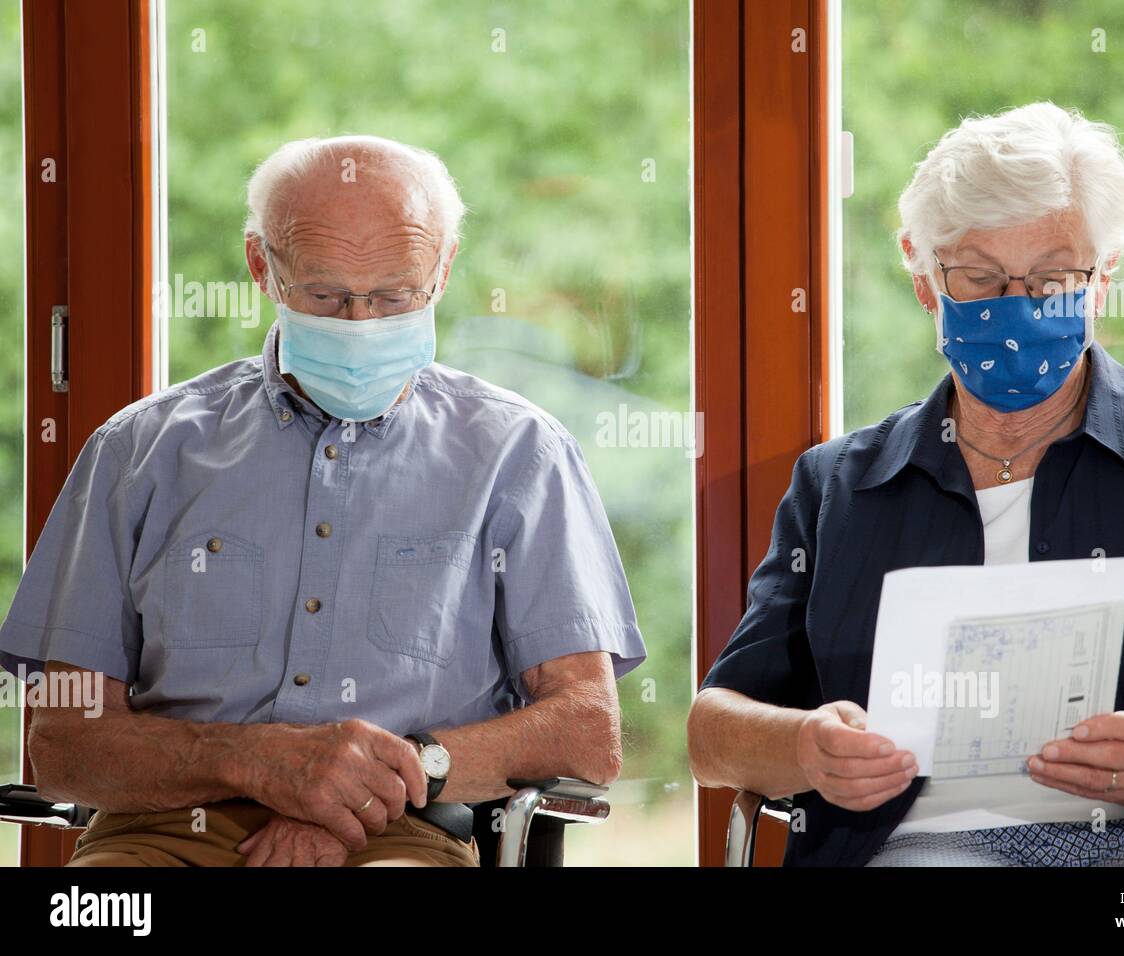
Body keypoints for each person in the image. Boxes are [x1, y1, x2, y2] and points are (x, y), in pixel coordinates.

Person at [0, 135, 645, 867]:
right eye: (328, 295)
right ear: (261, 267)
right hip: (161, 833)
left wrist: (375, 781)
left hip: (405, 836)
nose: (362, 322)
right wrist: (257, 762)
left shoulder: (520, 455)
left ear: (444, 268)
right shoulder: (138, 452)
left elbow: (586, 729)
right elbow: (60, 740)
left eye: (395, 294)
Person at [688, 103, 1124, 866]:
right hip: (923, 847)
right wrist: (805, 746)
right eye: (979, 277)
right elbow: (713, 733)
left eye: (1052, 278)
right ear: (924, 278)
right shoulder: (840, 486)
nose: (1018, 308)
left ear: (1102, 279)